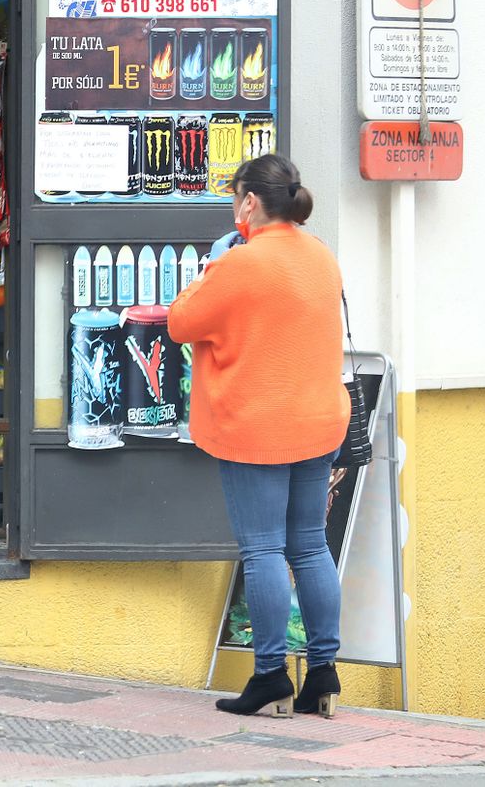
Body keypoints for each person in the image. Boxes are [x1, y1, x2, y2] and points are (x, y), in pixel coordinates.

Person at [168, 154, 350, 718]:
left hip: (257, 430)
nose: (233, 208)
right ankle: (323, 674)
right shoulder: (321, 255)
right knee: (311, 546)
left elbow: (180, 323)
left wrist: (210, 266)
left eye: (234, 198)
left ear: (249, 202)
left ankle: (270, 675)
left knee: (264, 548)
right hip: (319, 423)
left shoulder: (239, 264)